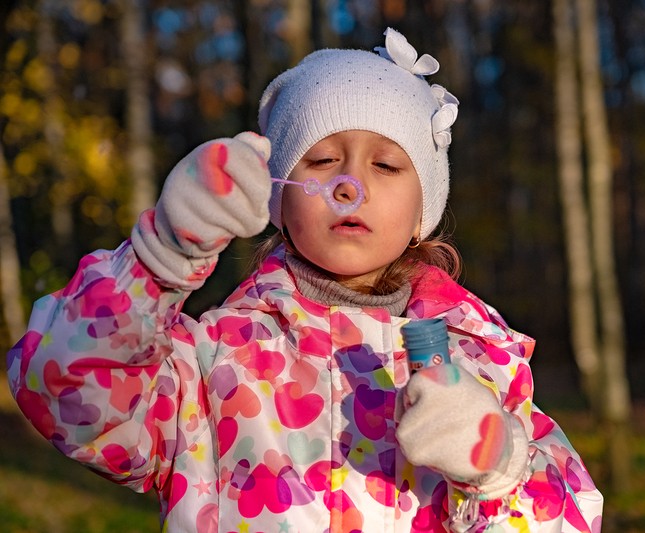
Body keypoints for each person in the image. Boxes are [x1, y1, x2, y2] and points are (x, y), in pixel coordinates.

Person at [7, 28, 602, 532]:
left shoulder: (485, 364)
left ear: (424, 212)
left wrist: (499, 472)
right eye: (321, 160)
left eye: (386, 164)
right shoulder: (217, 361)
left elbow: (572, 516)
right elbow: (69, 397)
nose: (350, 184)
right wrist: (158, 256)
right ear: (280, 203)